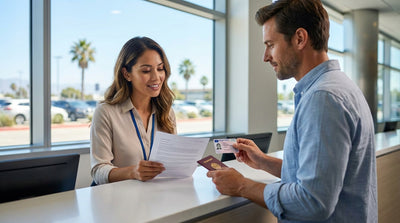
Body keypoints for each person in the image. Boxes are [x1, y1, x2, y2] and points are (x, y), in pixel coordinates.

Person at [207, 0, 377, 222]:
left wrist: (241, 185)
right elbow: (319, 175)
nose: (265, 56)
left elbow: (313, 202)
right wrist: (263, 161)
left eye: (270, 44)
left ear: (299, 38)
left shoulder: (322, 98)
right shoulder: (336, 86)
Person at [90, 36, 177, 185]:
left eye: (160, 68)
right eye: (146, 71)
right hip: (119, 201)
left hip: (157, 197)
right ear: (126, 74)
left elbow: (172, 163)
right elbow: (98, 171)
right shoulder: (106, 112)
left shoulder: (167, 112)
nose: (156, 77)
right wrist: (132, 172)